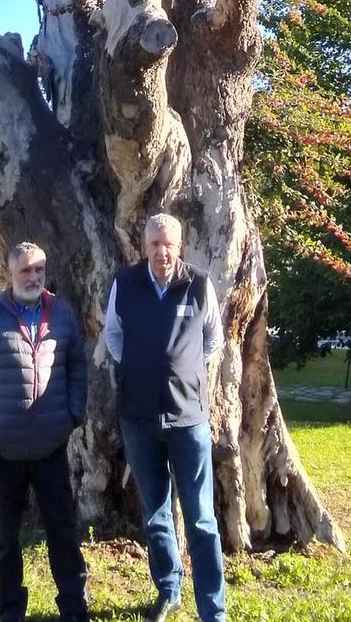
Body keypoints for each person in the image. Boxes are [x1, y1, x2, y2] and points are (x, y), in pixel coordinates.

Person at [0, 242, 89, 622]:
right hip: (2, 448)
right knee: (5, 538)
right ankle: (11, 610)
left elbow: (78, 365)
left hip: (50, 446)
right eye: (25, 271)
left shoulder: (60, 315)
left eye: (39, 270)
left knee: (63, 531)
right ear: (9, 275)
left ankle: (74, 607)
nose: (33, 277)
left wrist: (73, 413)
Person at [103, 214, 225, 622]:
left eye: (168, 243)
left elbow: (213, 340)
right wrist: (139, 368)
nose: (162, 251)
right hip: (138, 419)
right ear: (144, 247)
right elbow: (113, 336)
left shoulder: (199, 284)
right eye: (154, 244)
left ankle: (213, 608)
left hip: (189, 420)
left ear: (180, 245)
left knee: (201, 519)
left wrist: (185, 371)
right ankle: (168, 590)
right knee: (155, 514)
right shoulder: (125, 284)